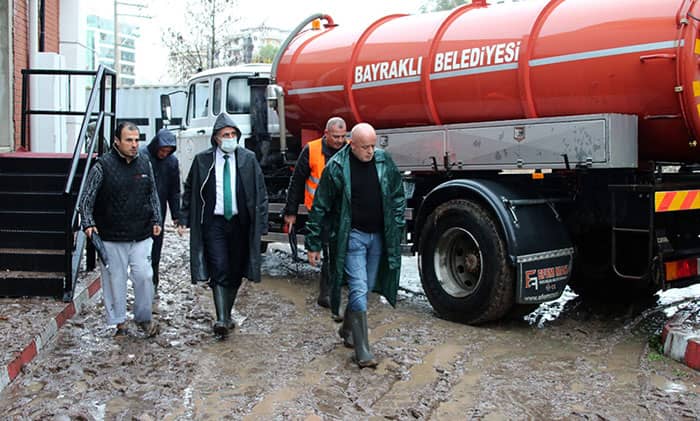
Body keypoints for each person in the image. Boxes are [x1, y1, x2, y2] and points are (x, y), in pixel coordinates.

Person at [305, 122, 406, 368]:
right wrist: (313, 243)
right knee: (358, 288)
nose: (370, 151)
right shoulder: (337, 167)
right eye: (365, 147)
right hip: (352, 237)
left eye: (373, 146)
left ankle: (347, 329)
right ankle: (363, 351)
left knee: (367, 287)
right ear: (352, 145)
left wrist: (397, 225)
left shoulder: (383, 161)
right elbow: (320, 205)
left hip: (378, 237)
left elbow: (397, 195)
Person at [179, 113, 268, 339]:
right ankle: (220, 319)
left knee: (236, 270)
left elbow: (260, 192)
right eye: (224, 135)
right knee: (218, 266)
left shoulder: (248, 159)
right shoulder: (203, 160)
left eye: (232, 134)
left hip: (240, 223)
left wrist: (262, 223)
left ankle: (226, 315)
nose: (229, 138)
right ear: (216, 138)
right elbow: (190, 189)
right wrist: (184, 217)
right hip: (214, 223)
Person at [80, 121, 162, 337]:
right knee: (115, 281)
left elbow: (152, 193)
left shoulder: (145, 163)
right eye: (129, 140)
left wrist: (157, 219)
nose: (134, 144)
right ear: (117, 141)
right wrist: (88, 223)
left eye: (137, 140)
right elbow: (86, 199)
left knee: (144, 275)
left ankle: (143, 318)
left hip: (141, 232)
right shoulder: (102, 166)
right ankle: (119, 323)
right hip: (111, 235)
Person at [283, 117, 347, 309]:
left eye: (342, 136)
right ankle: (326, 294)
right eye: (335, 136)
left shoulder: (349, 148)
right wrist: (291, 211)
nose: (339, 140)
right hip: (319, 211)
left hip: (342, 210)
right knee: (328, 250)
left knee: (341, 249)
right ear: (326, 134)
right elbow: (297, 182)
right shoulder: (312, 150)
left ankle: (338, 286)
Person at [140, 128, 181, 297]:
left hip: (159, 211)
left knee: (156, 248)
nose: (164, 154)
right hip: (139, 210)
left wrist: (176, 215)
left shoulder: (172, 162)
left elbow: (174, 190)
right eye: (162, 150)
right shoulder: (142, 156)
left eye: (168, 151)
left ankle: (153, 283)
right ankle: (141, 283)